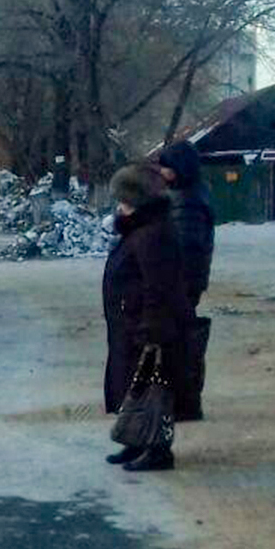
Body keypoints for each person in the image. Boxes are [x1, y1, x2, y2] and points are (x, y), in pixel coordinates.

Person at [102, 164, 190, 472]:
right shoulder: (139, 229)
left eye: (124, 200)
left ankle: (158, 449)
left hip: (148, 328)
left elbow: (159, 286)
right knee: (134, 386)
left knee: (155, 390)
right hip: (131, 325)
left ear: (140, 201)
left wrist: (152, 328)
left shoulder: (152, 233)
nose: (119, 206)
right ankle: (136, 441)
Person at [158, 140, 216, 421]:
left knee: (181, 343)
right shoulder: (190, 193)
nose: (162, 172)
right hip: (188, 280)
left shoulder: (186, 200)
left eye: (166, 167)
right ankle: (186, 400)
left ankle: (185, 402)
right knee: (183, 342)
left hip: (182, 281)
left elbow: (186, 247)